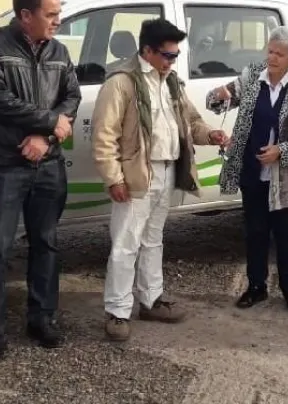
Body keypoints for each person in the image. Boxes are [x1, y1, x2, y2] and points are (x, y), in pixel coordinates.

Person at [91, 18, 229, 341]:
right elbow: (104, 136)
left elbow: (191, 122)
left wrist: (211, 134)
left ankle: (151, 300)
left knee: (153, 240)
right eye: (167, 55)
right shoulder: (122, 83)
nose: (171, 62)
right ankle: (117, 311)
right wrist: (114, 178)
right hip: (137, 174)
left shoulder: (170, 83)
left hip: (166, 171)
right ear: (148, 51)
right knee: (126, 244)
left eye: (175, 56)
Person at [0, 0, 81, 360]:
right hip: (4, 165)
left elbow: (72, 96)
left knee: (46, 244)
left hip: (48, 164)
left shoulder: (60, 51)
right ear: (25, 15)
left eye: (58, 13)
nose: (58, 22)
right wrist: (50, 123)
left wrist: (46, 137)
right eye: (51, 15)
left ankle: (42, 318)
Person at [207, 26, 288, 314]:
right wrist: (218, 95)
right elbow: (220, 101)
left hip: (285, 176)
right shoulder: (251, 76)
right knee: (255, 232)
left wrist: (281, 151)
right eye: (269, 51)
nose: (271, 57)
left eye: (279, 54)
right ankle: (256, 287)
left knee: (286, 234)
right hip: (252, 170)